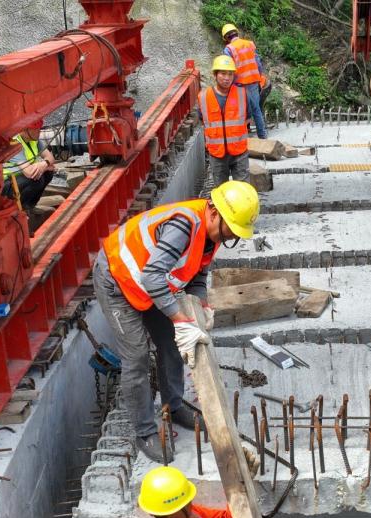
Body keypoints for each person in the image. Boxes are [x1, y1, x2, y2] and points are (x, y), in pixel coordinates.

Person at [93, 181, 259, 463]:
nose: (229, 237)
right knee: (137, 356)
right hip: (118, 280)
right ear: (214, 212)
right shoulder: (184, 226)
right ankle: (145, 431)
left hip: (149, 285)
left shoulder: (213, 234)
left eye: (235, 234)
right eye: (230, 229)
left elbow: (197, 276)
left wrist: (200, 305)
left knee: (170, 340)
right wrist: (179, 318)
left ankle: (174, 404)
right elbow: (151, 276)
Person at [198, 56, 249, 188]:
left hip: (239, 152)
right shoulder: (204, 97)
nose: (227, 78)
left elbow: (248, 117)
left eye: (230, 74)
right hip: (217, 154)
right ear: (215, 75)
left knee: (243, 190)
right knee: (221, 192)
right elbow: (202, 119)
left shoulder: (242, 94)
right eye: (223, 73)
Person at [221, 23, 268, 140]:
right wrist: (259, 77)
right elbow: (258, 63)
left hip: (239, 84)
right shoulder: (249, 44)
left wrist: (227, 85)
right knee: (256, 109)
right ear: (237, 33)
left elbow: (228, 69)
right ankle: (262, 136)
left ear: (226, 38)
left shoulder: (229, 49)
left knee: (240, 111)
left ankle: (241, 137)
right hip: (253, 81)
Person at [2, 118, 56, 213]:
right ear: (25, 130)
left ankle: (29, 206)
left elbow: (50, 158)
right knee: (36, 179)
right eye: (36, 129)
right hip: (7, 185)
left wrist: (44, 164)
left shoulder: (34, 140)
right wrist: (46, 166)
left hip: (20, 179)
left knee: (48, 173)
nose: (39, 131)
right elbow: (29, 173)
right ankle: (18, 210)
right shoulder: (14, 143)